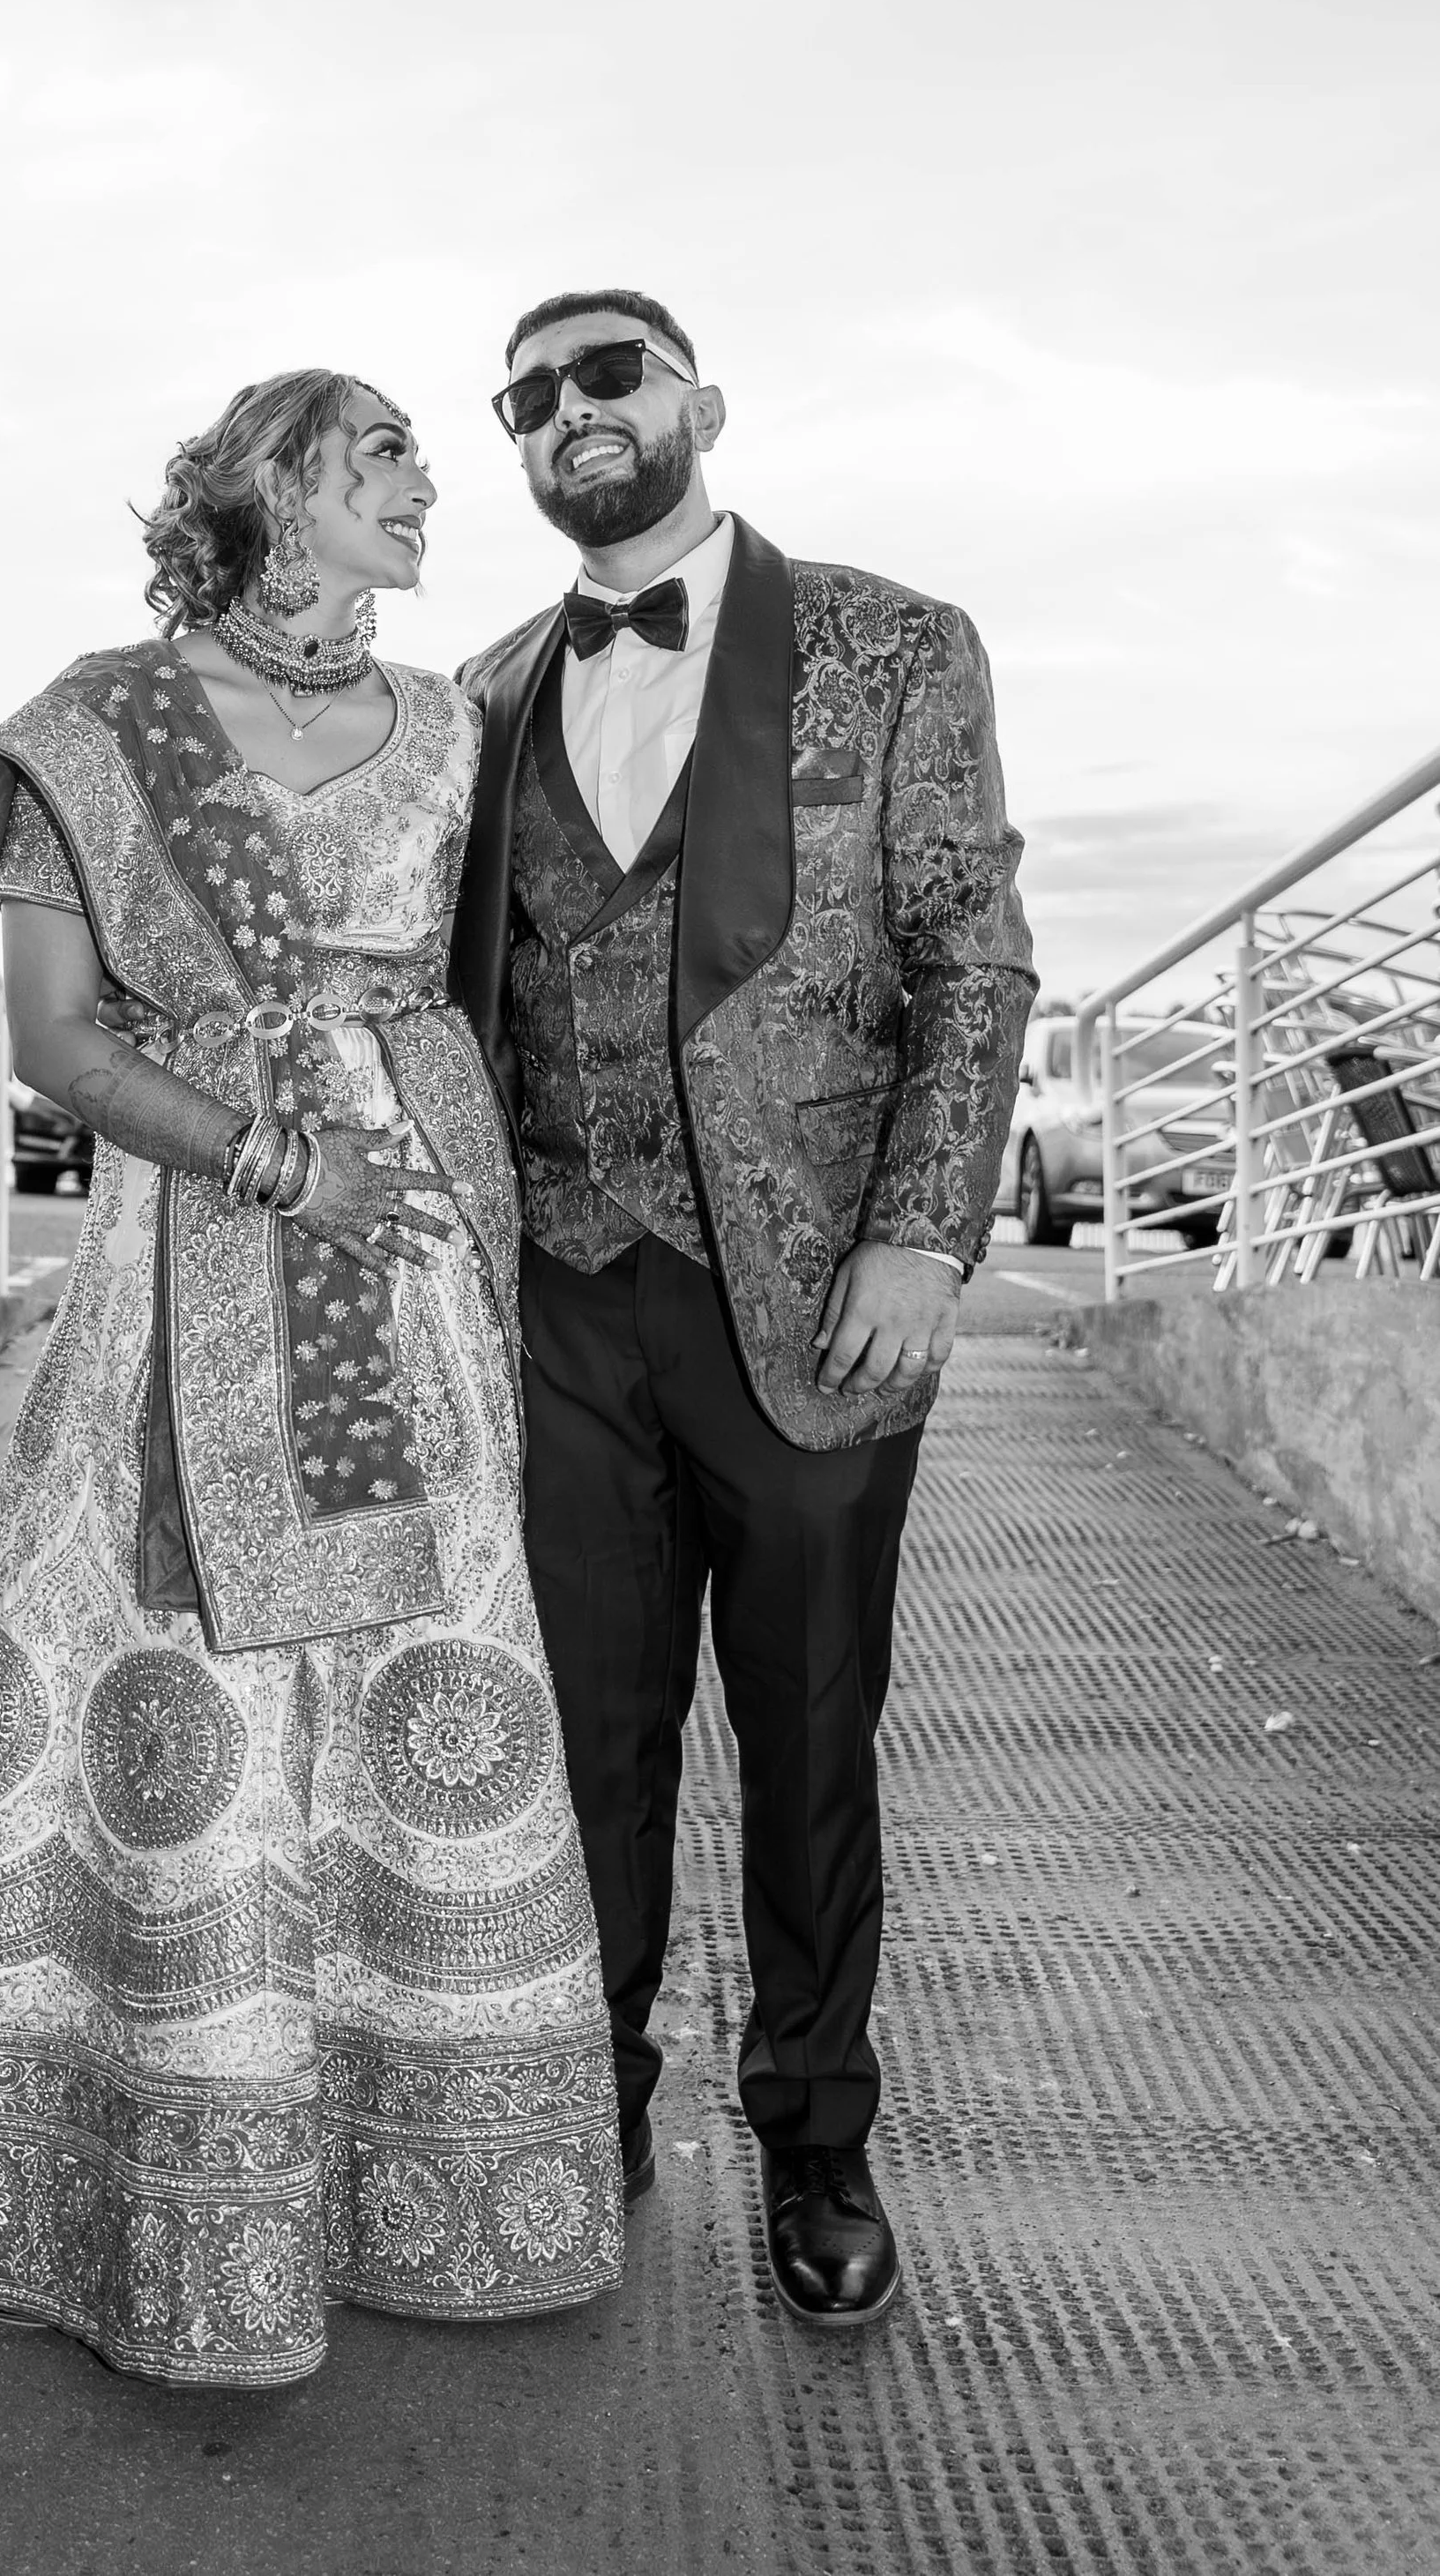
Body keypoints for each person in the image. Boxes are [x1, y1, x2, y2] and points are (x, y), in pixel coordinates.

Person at [0, 370, 623, 2386]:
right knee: (178, 1656)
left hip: (414, 1246)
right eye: (387, 451)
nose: (428, 485)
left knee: (428, 1646)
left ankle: (417, 2152)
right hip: (196, 1241)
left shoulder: (449, 722)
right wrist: (271, 1158)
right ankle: (144, 2152)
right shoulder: (95, 723)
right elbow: (58, 1039)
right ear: (273, 487)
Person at [451, 289, 1034, 2328]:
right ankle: (585, 2108)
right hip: (553, 1287)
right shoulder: (482, 685)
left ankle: (811, 2127)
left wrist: (922, 1233)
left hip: (810, 1296)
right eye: (523, 397)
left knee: (804, 1733)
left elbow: (970, 957)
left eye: (603, 372)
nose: (564, 412)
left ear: (698, 396)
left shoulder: (891, 640)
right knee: (584, 1738)